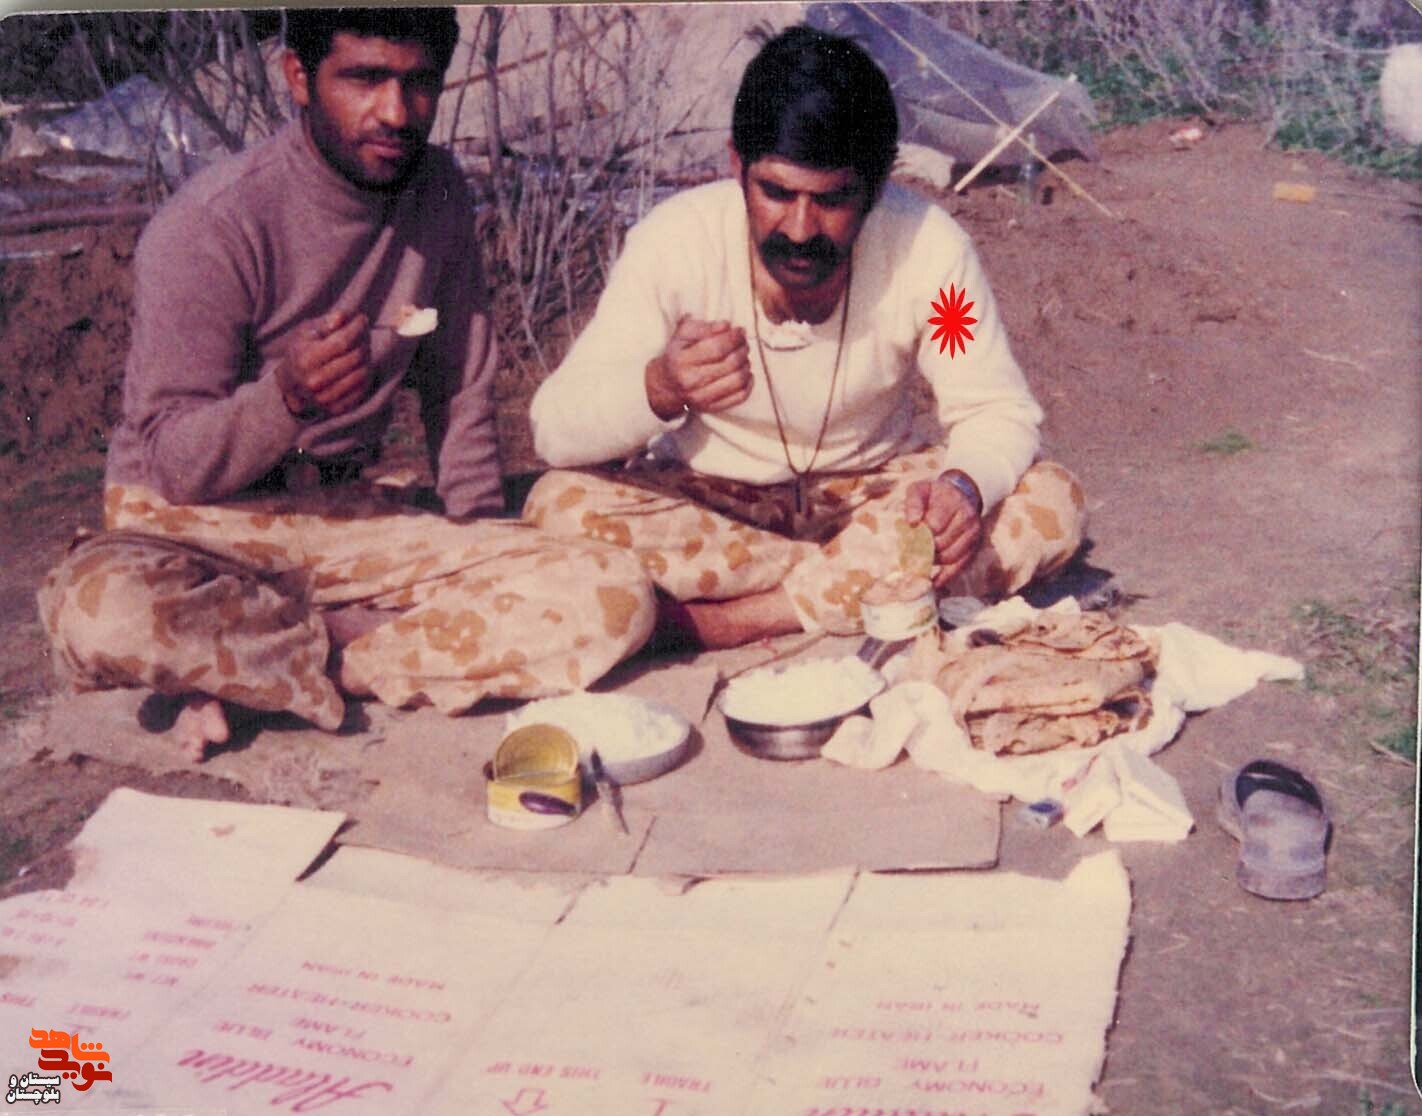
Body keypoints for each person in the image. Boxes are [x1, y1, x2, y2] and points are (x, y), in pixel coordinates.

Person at [37, 7, 655, 760]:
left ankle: (268, 661)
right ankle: (322, 640)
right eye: (364, 79)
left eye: (419, 83)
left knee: (610, 593)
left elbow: (459, 387)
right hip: (192, 520)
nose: (395, 112)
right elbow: (174, 465)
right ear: (298, 78)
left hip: (342, 510)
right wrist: (286, 399)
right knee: (102, 613)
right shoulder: (211, 224)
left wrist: (482, 546)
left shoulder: (438, 192)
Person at [524, 25, 1085, 648]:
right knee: (559, 505)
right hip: (716, 508)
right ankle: (856, 582)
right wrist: (659, 387)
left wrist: (961, 490)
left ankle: (731, 618)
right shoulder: (673, 244)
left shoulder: (931, 252)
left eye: (831, 200)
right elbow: (554, 430)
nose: (799, 229)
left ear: (876, 185)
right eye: (776, 192)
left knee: (1047, 500)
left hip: (876, 493)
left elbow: (994, 409)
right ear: (737, 166)